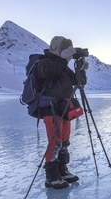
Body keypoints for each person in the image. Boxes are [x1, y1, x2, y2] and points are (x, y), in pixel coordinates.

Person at [33, 36, 86, 189]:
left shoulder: (63, 66)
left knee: (64, 141)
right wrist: (63, 60)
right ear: (57, 49)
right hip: (50, 107)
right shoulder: (43, 63)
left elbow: (79, 82)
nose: (67, 53)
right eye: (64, 49)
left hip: (64, 107)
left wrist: (80, 69)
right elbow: (50, 73)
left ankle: (62, 171)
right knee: (55, 141)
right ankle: (51, 176)